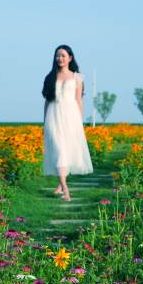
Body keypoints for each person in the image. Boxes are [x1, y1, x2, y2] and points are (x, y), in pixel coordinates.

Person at [41, 45, 93, 201]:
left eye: (63, 55)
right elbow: (46, 101)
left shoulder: (77, 78)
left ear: (70, 58)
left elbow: (79, 100)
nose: (60, 58)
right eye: (57, 55)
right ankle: (66, 190)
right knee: (59, 150)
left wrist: (80, 122)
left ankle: (60, 185)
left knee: (66, 151)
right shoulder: (50, 77)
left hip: (71, 117)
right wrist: (44, 123)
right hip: (53, 116)